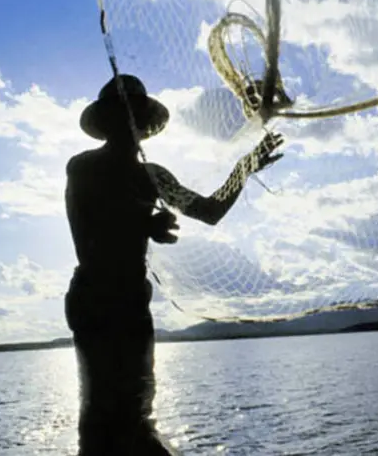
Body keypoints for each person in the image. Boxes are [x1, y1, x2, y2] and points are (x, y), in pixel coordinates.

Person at [64, 74, 284, 455]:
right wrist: (143, 222)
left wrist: (245, 167)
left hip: (133, 303)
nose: (131, 120)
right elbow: (89, 226)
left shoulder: (154, 176)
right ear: (108, 120)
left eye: (136, 113)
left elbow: (209, 210)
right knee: (103, 415)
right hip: (96, 300)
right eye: (123, 111)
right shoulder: (83, 167)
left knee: (135, 410)